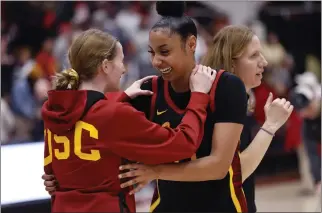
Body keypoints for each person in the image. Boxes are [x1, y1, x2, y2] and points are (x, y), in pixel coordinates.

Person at [43, 2, 293, 213]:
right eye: (152, 52)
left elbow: (219, 167)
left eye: (164, 51)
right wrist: (62, 178)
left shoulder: (227, 86)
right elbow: (104, 144)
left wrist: (154, 171)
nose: (155, 61)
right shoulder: (146, 91)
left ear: (191, 44)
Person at [117, 10, 293, 213]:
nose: (264, 62)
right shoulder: (164, 90)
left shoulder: (235, 95)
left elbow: (226, 169)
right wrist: (269, 127)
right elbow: (234, 170)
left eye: (163, 52)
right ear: (232, 62)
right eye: (254, 56)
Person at [41, 28, 216, 213]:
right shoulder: (114, 114)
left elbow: (53, 175)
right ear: (106, 66)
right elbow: (183, 144)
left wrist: (121, 97)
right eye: (121, 60)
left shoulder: (57, 109)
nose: (124, 68)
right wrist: (198, 96)